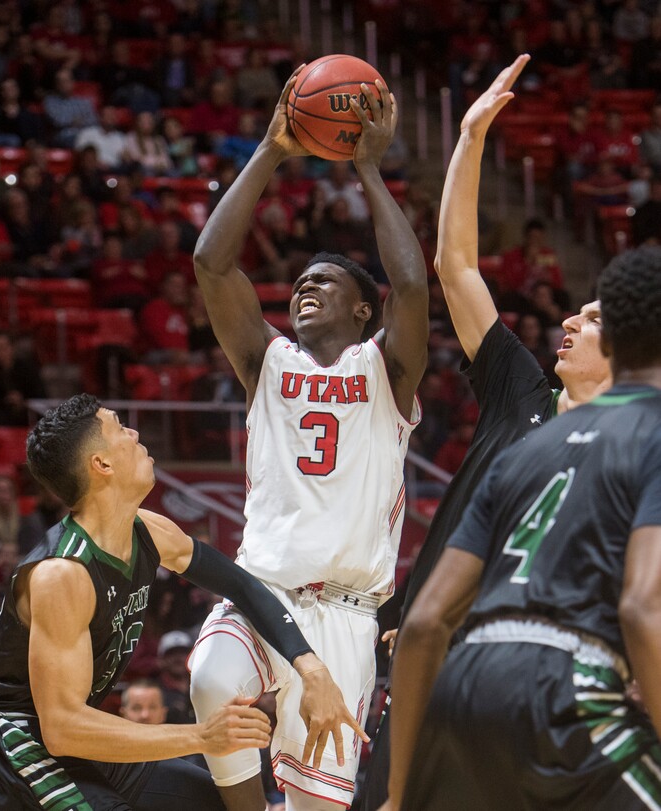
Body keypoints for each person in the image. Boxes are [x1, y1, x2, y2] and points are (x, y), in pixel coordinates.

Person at [360, 55, 614, 811]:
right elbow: (456, 265)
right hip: (432, 675)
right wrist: (470, 137)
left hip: (536, 696)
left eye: (594, 319)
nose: (569, 320)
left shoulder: (636, 449)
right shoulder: (522, 393)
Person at [190, 67, 428, 811]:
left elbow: (414, 286)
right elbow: (210, 261)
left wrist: (367, 169)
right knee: (211, 681)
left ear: (363, 311)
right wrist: (271, 148)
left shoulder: (384, 370)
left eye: (326, 282)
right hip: (264, 594)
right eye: (298, 283)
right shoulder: (266, 361)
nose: (304, 288)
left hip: (348, 617)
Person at [0, 393, 365, 810]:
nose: (135, 433)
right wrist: (201, 736)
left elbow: (242, 586)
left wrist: (309, 665)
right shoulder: (62, 574)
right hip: (8, 743)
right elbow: (62, 727)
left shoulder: (149, 531)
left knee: (213, 804)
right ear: (101, 465)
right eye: (120, 428)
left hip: (69, 740)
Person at [382, 244, 661, 810]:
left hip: (463, 688)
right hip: (565, 683)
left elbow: (425, 621)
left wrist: (398, 792)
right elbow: (640, 609)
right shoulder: (651, 433)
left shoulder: (526, 448)